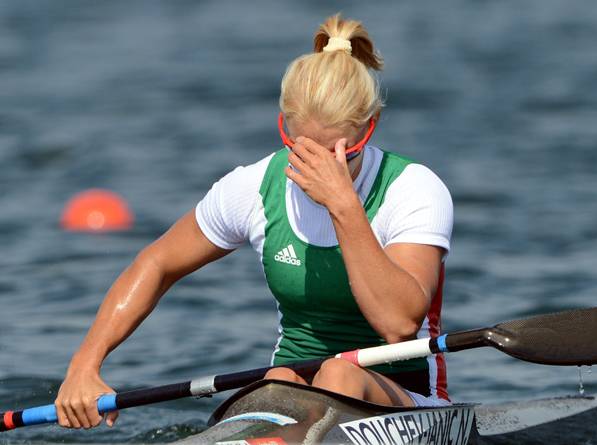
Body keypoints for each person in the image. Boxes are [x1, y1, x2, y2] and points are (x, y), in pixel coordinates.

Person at [55, 14, 453, 430]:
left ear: (370, 127)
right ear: (284, 126)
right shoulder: (252, 187)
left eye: (340, 154)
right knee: (277, 380)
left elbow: (398, 325)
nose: (319, 169)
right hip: (296, 391)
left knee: (340, 375)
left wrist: (344, 206)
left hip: (408, 398)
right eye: (302, 151)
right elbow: (157, 264)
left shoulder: (413, 189)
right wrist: (84, 365)